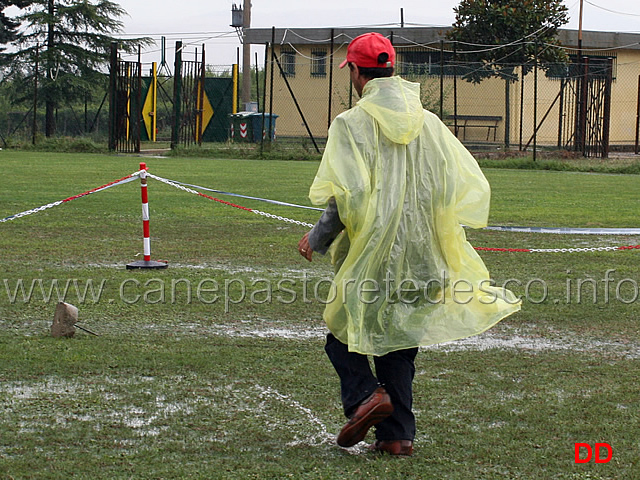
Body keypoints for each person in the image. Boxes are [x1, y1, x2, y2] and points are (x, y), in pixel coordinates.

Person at [297, 32, 520, 456]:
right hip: (424, 255)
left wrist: (318, 237)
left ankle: (365, 396)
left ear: (358, 73)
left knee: (341, 335)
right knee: (399, 341)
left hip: (374, 257)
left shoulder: (351, 123)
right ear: (392, 69)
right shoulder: (431, 124)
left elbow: (347, 196)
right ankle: (397, 437)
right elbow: (454, 184)